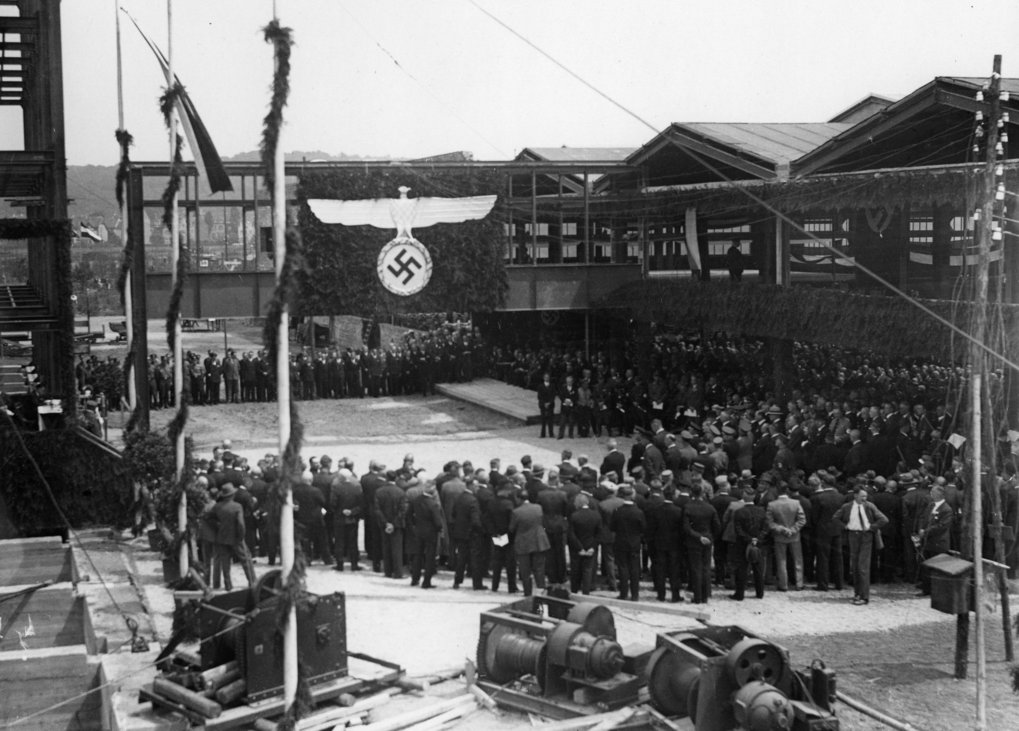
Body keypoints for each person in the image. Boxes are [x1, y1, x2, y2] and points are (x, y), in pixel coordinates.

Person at [836, 486, 889, 605]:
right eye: (862, 496)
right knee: (855, 566)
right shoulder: (847, 507)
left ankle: (865, 597)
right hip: (852, 536)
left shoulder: (870, 506)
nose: (864, 498)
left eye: (865, 496)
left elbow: (884, 519)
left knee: (863, 567)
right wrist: (844, 526)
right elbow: (835, 518)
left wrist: (872, 527)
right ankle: (857, 593)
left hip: (866, 536)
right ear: (855, 495)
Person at [682, 482, 720, 604]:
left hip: (693, 541)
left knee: (696, 569)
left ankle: (697, 596)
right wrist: (710, 538)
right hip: (707, 540)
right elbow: (717, 526)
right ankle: (705, 596)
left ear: (691, 493)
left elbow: (686, 528)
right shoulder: (710, 508)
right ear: (703, 493)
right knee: (706, 568)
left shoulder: (687, 507)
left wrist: (699, 537)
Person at [767, 483, 807, 591]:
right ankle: (799, 583)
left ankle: (783, 584)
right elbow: (802, 520)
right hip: (794, 536)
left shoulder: (772, 505)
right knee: (798, 560)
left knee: (781, 561)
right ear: (787, 490)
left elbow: (770, 523)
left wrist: (781, 529)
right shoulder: (796, 503)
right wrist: (792, 530)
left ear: (777, 491)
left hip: (779, 536)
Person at [915, 483, 954, 596]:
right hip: (928, 541)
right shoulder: (930, 505)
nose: (931, 494)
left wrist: (926, 531)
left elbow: (942, 526)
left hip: (938, 542)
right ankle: (927, 589)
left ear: (939, 494)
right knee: (926, 565)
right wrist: (921, 529)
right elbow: (924, 518)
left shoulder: (946, 509)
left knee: (937, 566)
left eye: (933, 492)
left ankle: (938, 590)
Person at [732, 485, 768, 600]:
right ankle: (760, 593)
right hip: (758, 543)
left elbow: (738, 530)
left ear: (743, 496)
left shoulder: (739, 512)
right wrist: (757, 539)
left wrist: (749, 539)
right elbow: (765, 528)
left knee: (742, 569)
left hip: (742, 543)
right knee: (758, 569)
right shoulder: (762, 511)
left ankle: (739, 594)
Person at [610, 484, 646, 601]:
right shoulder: (639, 512)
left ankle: (623, 593)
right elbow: (643, 528)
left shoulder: (617, 511)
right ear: (632, 496)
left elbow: (612, 527)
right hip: (634, 543)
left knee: (623, 568)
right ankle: (635, 595)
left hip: (621, 542)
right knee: (635, 569)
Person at [511, 492, 550, 596]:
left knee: (525, 570)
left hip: (523, 542)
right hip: (539, 541)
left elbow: (512, 528)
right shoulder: (538, 508)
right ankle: (541, 590)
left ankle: (527, 592)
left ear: (519, 499)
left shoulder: (516, 512)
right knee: (539, 569)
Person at [211, 483, 249, 590]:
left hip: (222, 537)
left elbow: (209, 517)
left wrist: (218, 526)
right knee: (245, 560)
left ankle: (228, 585)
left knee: (225, 562)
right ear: (232, 495)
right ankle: (251, 581)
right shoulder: (237, 506)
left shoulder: (217, 506)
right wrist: (241, 536)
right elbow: (241, 524)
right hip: (236, 537)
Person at [407, 482, 443, 588]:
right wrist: (439, 529)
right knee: (429, 557)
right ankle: (426, 581)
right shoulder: (433, 504)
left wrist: (413, 527)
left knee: (417, 555)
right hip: (431, 533)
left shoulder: (416, 500)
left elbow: (408, 515)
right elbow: (438, 522)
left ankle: (415, 579)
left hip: (418, 531)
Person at [329, 468, 364, 571]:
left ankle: (339, 564)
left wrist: (339, 511)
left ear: (340, 477)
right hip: (352, 518)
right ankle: (354, 564)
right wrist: (352, 511)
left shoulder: (336, 487)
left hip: (339, 518)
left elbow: (332, 503)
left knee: (339, 542)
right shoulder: (357, 487)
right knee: (353, 542)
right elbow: (361, 504)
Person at [375, 475, 408, 579]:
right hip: (397, 525)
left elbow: (377, 509)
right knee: (397, 549)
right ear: (396, 479)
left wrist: (386, 523)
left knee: (386, 547)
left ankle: (388, 571)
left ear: (386, 479)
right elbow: (403, 510)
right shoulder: (400, 492)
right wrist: (393, 523)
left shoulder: (379, 491)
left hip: (384, 524)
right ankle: (398, 572)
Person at [567, 494, 601, 594]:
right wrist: (593, 547)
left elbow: (571, 534)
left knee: (575, 570)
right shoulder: (596, 515)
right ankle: (586, 591)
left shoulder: (574, 516)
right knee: (588, 570)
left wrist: (579, 548)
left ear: (578, 503)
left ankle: (574, 590)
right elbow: (599, 533)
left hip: (576, 547)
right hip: (590, 546)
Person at [537, 372, 556, 438]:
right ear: (543, 378)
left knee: (550, 420)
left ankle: (551, 434)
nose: (547, 378)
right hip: (543, 404)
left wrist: (549, 402)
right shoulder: (540, 386)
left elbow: (553, 395)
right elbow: (539, 396)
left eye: (548, 377)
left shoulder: (552, 386)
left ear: (549, 378)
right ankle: (543, 434)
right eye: (545, 377)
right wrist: (544, 403)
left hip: (550, 404)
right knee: (543, 420)